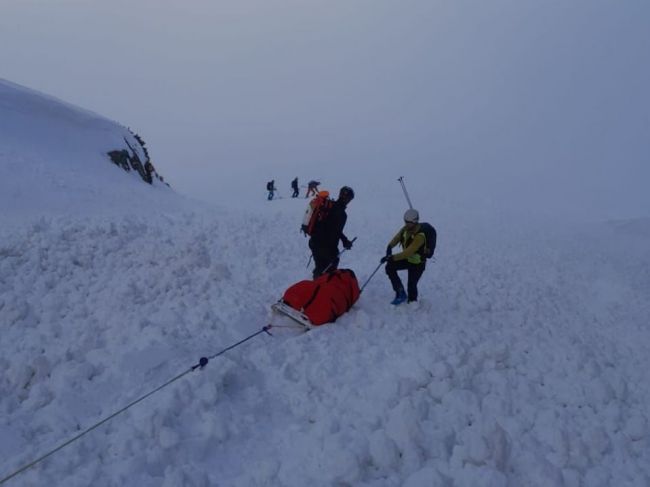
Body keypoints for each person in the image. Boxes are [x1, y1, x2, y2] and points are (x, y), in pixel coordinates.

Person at [380, 209, 427, 305]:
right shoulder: (406, 228)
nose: (406, 224)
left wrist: (391, 257)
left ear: (414, 222)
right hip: (408, 260)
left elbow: (408, 252)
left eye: (408, 222)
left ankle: (413, 303)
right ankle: (400, 292)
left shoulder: (420, 236)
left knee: (411, 285)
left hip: (418, 264)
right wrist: (389, 247)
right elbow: (397, 237)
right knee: (389, 267)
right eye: (405, 222)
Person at [309, 186, 355, 278]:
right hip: (325, 247)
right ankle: (319, 288)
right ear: (348, 199)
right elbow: (335, 232)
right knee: (328, 272)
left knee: (319, 268)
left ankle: (316, 285)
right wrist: (343, 243)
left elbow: (331, 227)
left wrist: (344, 240)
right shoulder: (342, 214)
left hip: (314, 242)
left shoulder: (328, 205)